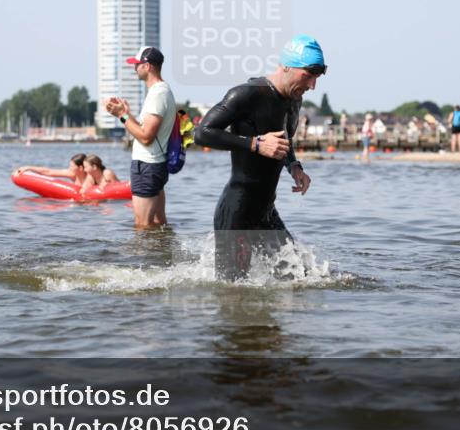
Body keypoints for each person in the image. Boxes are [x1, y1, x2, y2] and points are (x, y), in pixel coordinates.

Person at [193, 34, 318, 280]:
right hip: (237, 211)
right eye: (308, 75)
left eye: (316, 78)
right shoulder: (247, 94)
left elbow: (283, 141)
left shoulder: (294, 99)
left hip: (266, 210)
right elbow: (202, 133)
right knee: (232, 293)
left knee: (299, 277)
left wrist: (293, 166)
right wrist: (254, 144)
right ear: (286, 66)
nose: (313, 85)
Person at [104, 46, 176, 228]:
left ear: (148, 66)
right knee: (159, 223)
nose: (134, 68)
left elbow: (146, 137)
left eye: (137, 64)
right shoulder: (159, 91)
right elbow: (145, 130)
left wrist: (122, 116)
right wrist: (127, 114)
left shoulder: (158, 93)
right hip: (154, 164)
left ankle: (145, 257)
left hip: (148, 165)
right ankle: (163, 255)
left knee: (142, 224)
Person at [16, 153, 88, 185]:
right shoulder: (72, 174)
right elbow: (49, 172)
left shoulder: (90, 177)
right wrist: (28, 167)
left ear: (80, 168)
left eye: (72, 166)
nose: (69, 168)